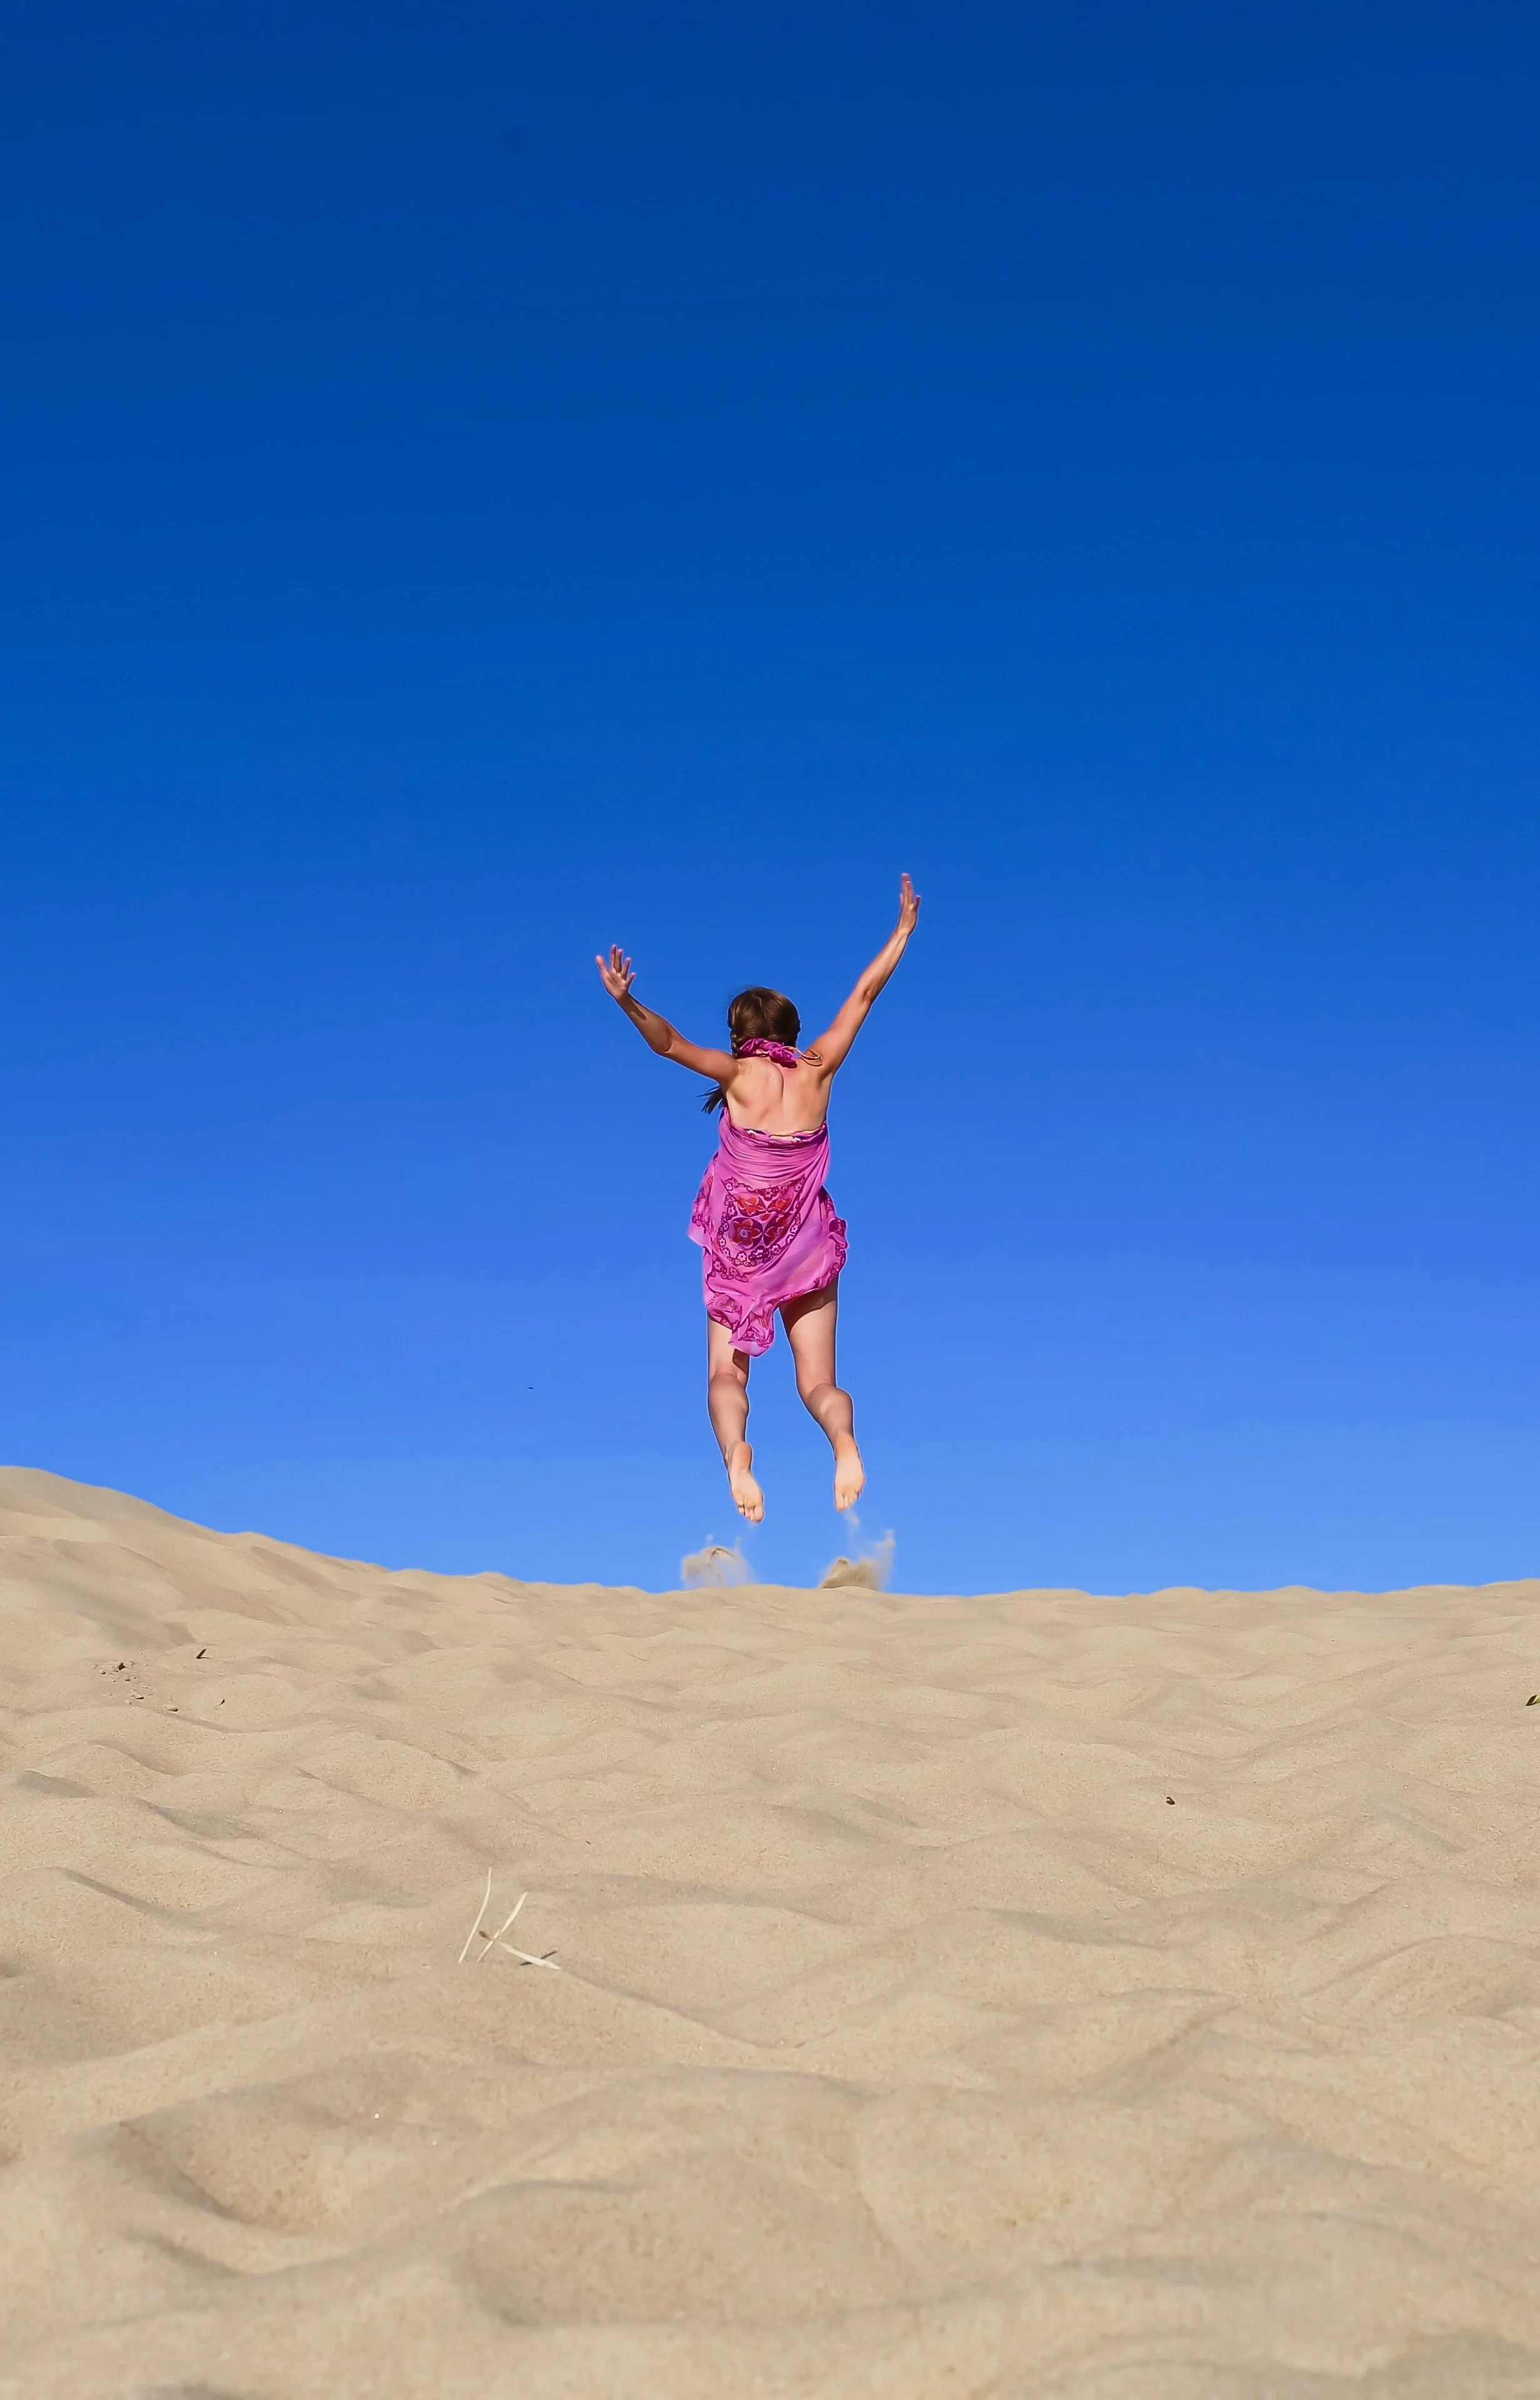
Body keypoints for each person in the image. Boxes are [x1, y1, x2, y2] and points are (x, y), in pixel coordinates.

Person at [596, 874, 921, 1524]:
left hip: (741, 1248)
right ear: (793, 1030)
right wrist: (903, 931)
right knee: (818, 1383)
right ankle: (844, 1443)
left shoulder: (739, 1073)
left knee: (726, 1374)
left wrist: (627, 1003)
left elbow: (667, 1045)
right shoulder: (818, 1068)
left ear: (740, 1035)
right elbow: (863, 993)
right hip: (804, 1245)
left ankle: (737, 1456)